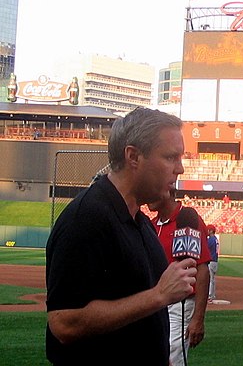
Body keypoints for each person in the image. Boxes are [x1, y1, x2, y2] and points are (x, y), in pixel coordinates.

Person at [45, 107, 198, 365]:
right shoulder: (87, 218)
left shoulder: (141, 222)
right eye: (171, 157)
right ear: (133, 156)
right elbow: (63, 323)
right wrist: (158, 295)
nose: (180, 169)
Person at [148, 191, 211, 366]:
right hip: (154, 302)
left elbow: (202, 269)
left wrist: (198, 318)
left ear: (167, 191)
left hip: (179, 305)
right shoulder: (152, 224)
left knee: (173, 359)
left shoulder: (187, 219)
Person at [207, 224, 219, 303]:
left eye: (208, 230)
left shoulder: (211, 239)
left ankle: (210, 296)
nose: (207, 231)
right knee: (213, 279)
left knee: (210, 279)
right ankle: (212, 295)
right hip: (215, 260)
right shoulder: (215, 239)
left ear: (211, 231)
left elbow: (206, 247)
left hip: (211, 260)